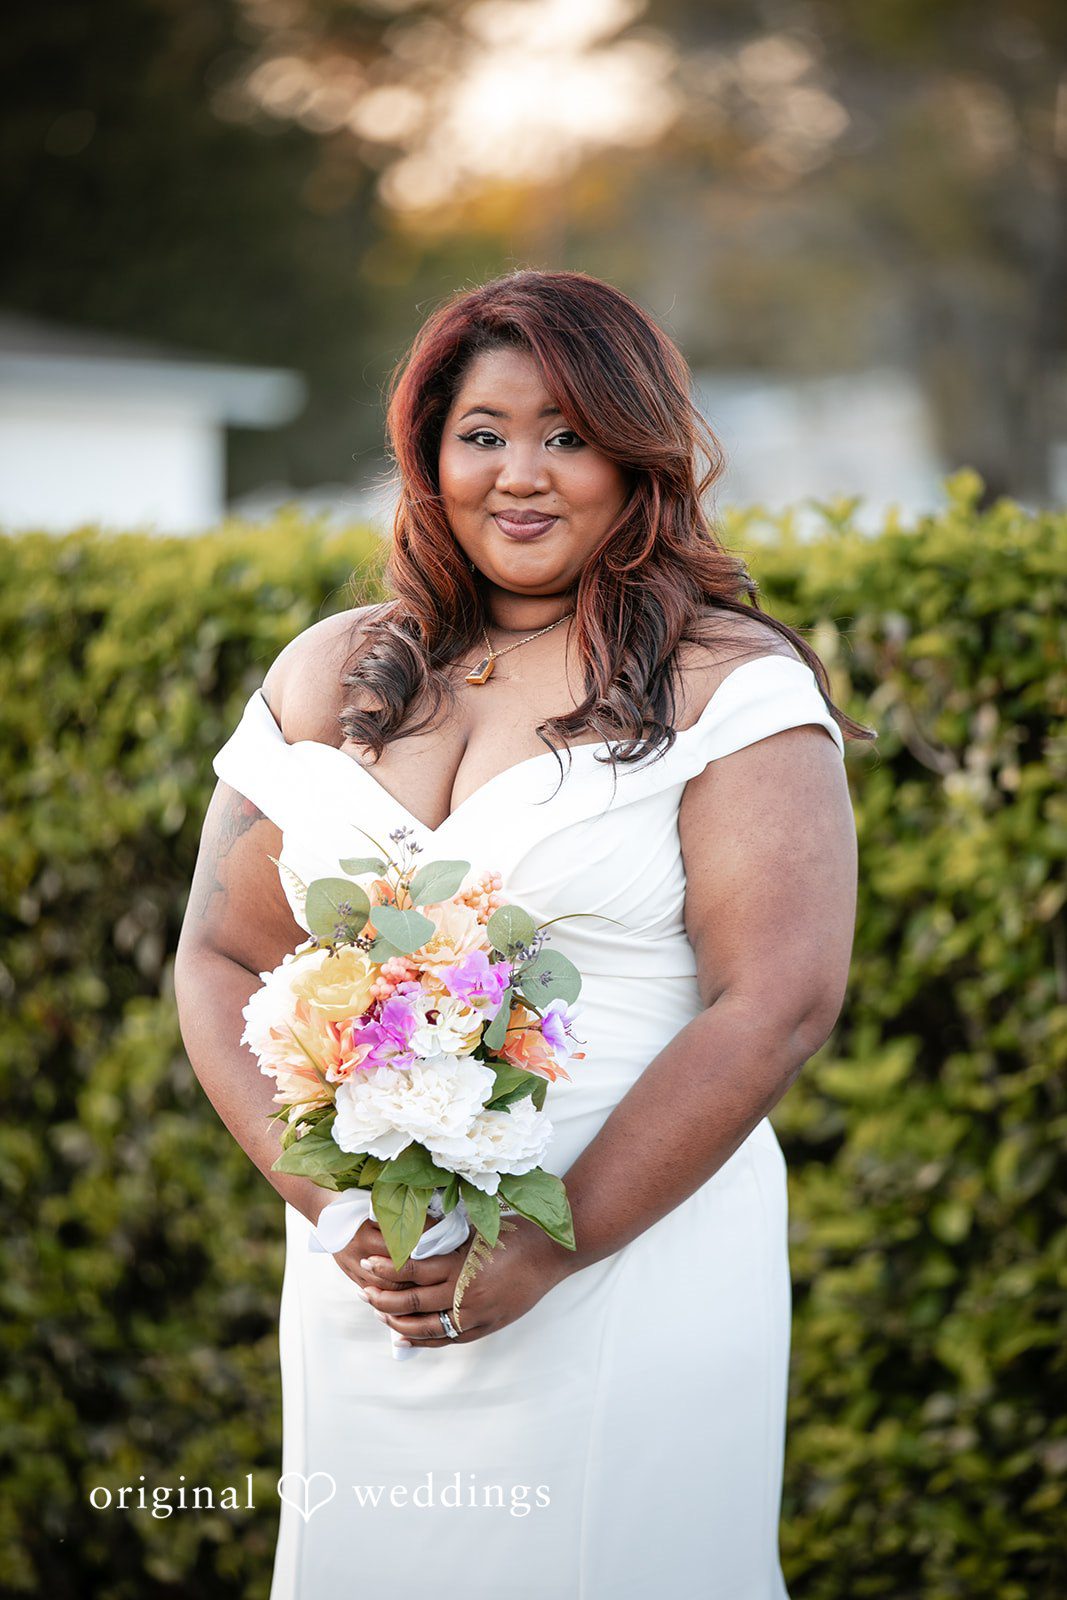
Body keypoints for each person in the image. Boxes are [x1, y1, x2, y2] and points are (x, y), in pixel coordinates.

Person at [174, 268, 867, 1599]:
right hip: (369, 1291)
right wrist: (324, 1206)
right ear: (430, 456)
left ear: (638, 455)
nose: (522, 473)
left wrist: (551, 1245)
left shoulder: (729, 684)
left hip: (626, 1265)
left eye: (568, 433)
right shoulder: (333, 670)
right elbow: (221, 954)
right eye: (482, 433)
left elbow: (778, 999)